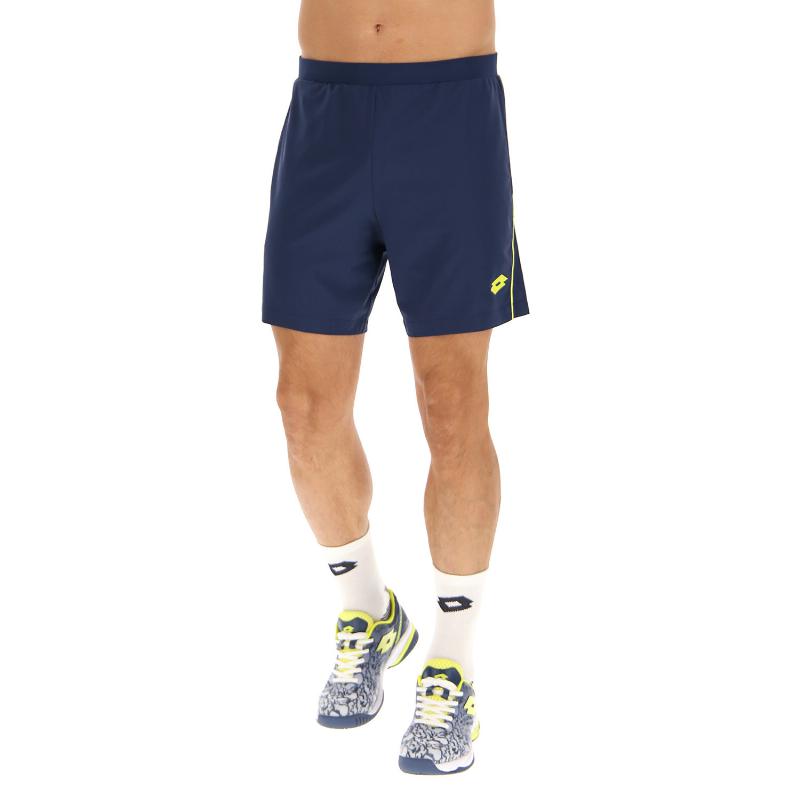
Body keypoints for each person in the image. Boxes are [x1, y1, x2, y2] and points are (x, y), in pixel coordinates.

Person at [263, 0, 528, 775]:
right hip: (327, 110)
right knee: (304, 406)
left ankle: (452, 661)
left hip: (449, 111)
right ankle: (367, 608)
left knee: (451, 404)